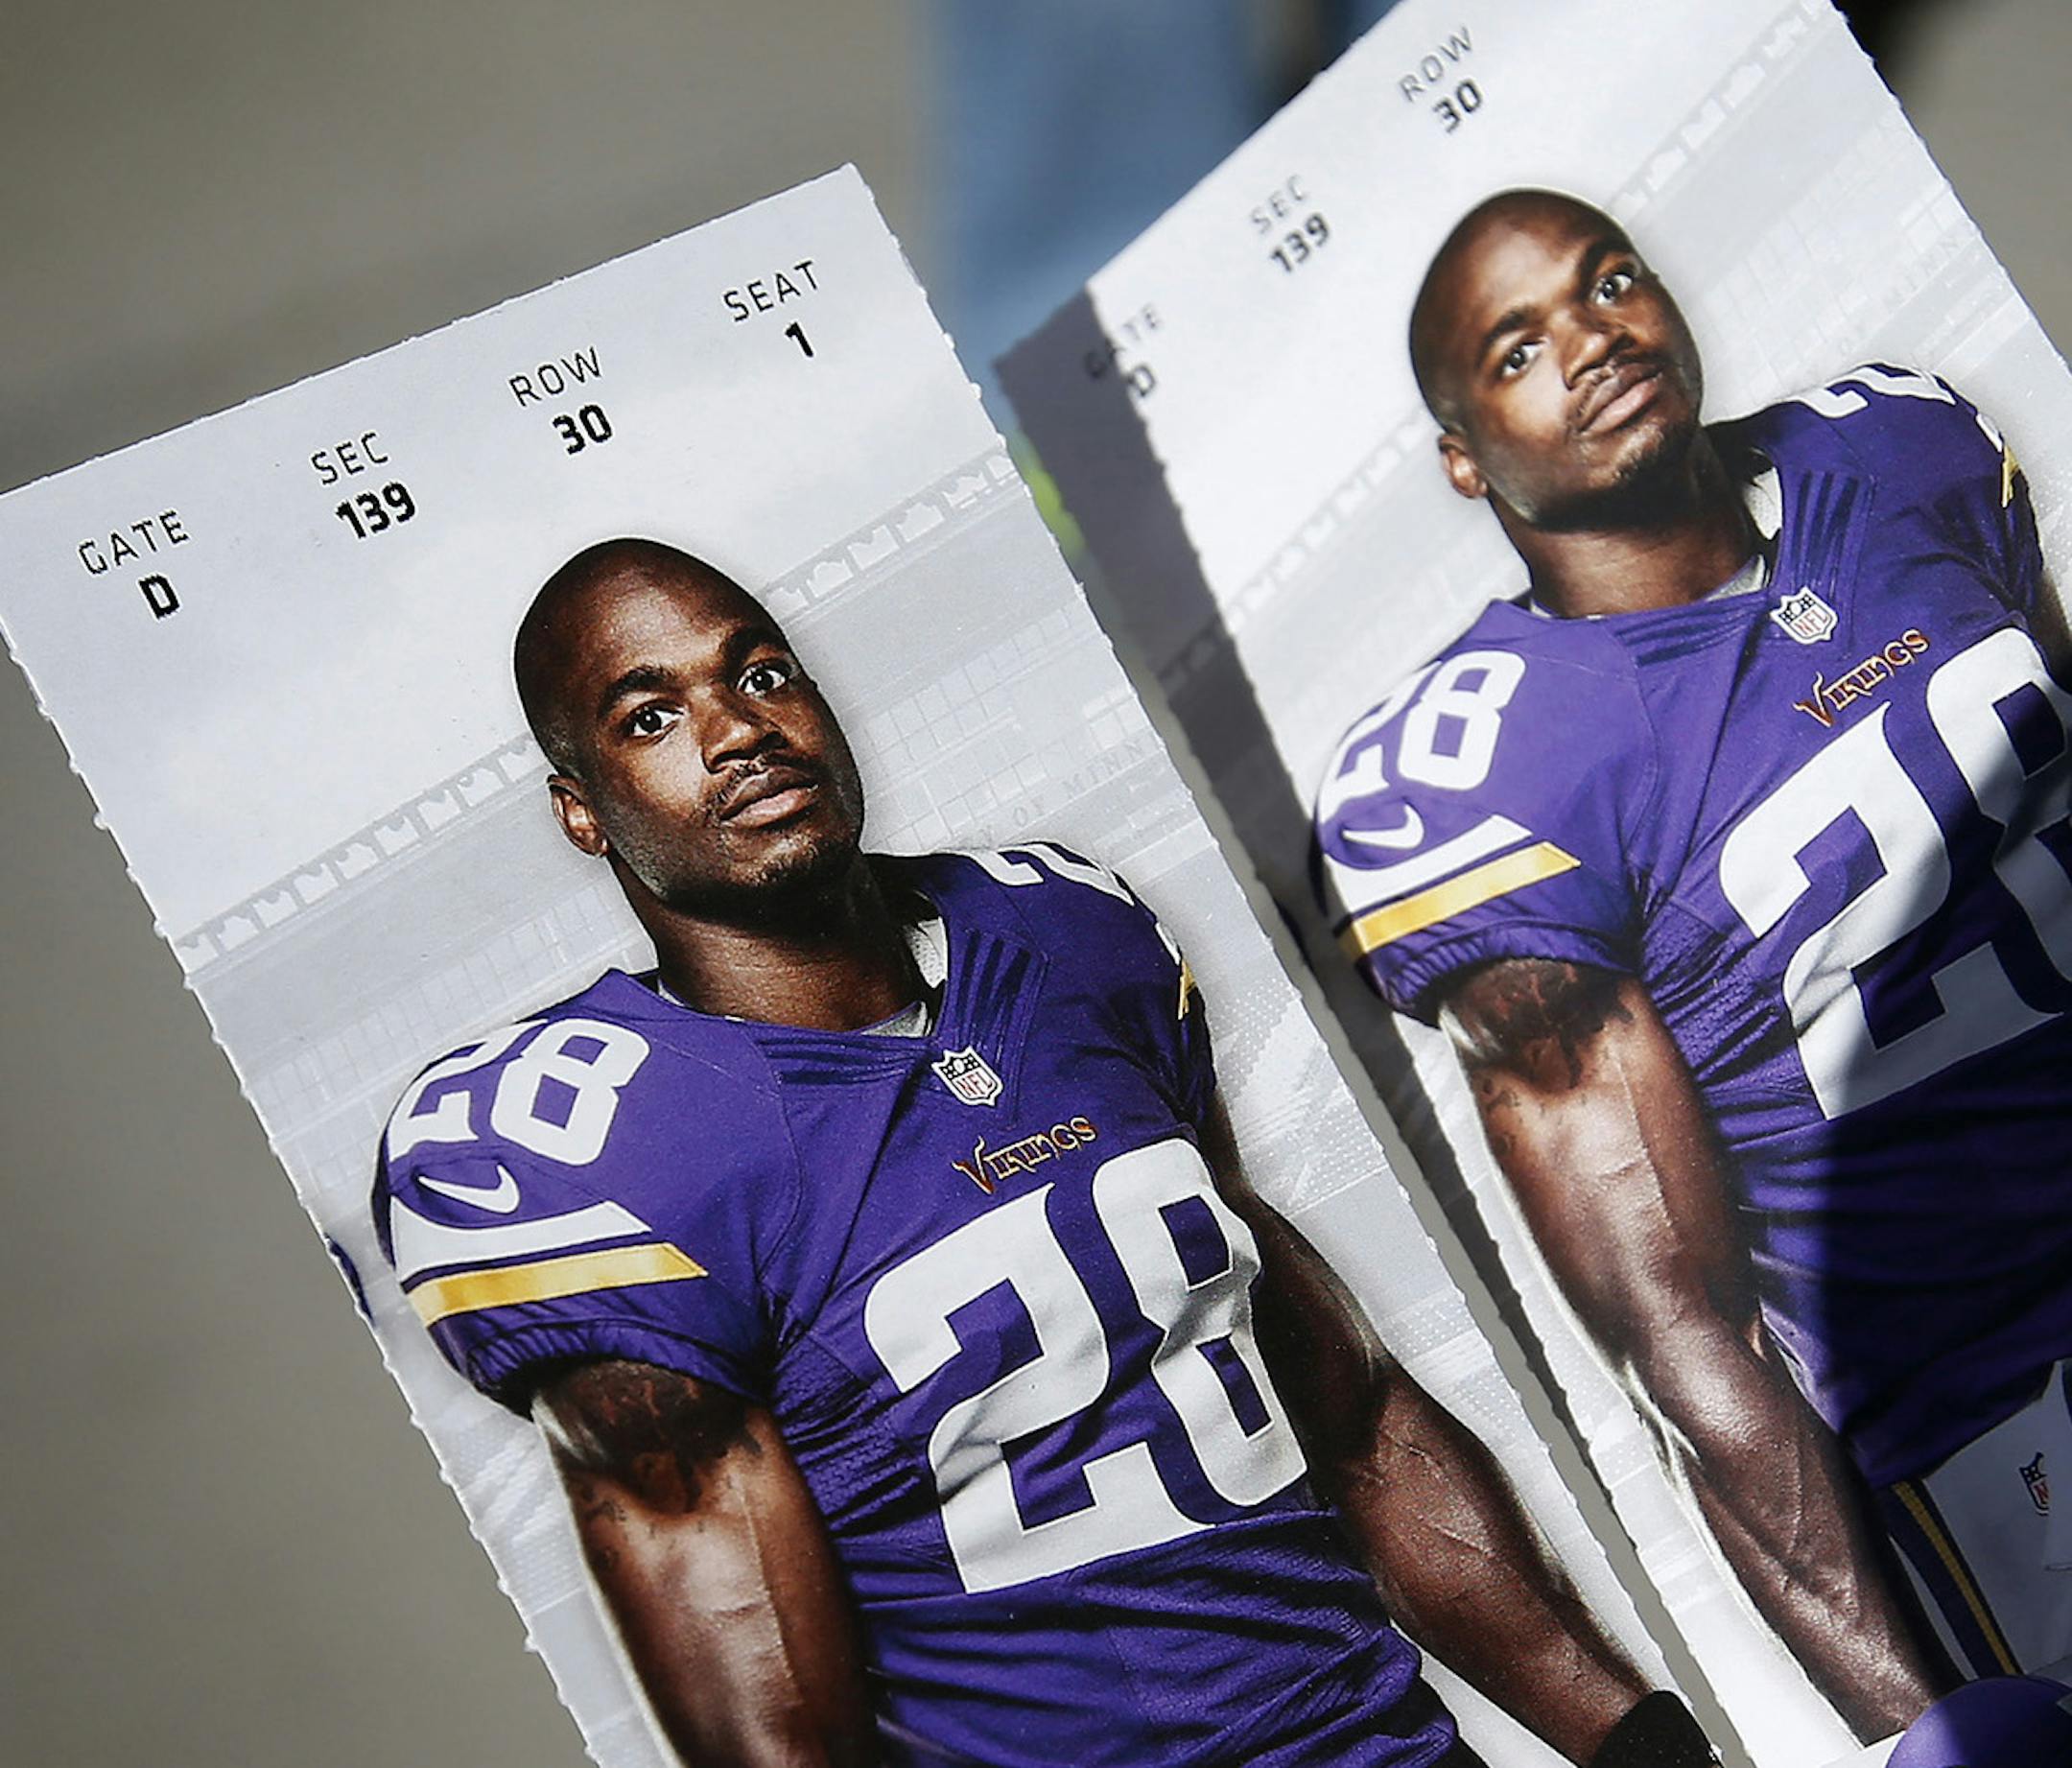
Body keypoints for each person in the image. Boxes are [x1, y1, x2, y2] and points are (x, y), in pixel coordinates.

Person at [374, 537, 1716, 1766]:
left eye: (762, 670)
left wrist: (1639, 1743)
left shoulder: (1069, 935)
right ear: (582, 808)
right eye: (651, 714)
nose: (739, 729)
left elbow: (1354, 1418)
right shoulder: (583, 1153)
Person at [1313, 187, 2072, 1743]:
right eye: (1520, 344)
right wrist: (1913, 1726)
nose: (1592, 339)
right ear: (1466, 453)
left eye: (1610, 282)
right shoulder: (1494, 773)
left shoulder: (1900, 452)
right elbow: (1680, 1325)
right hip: (1999, 1405)